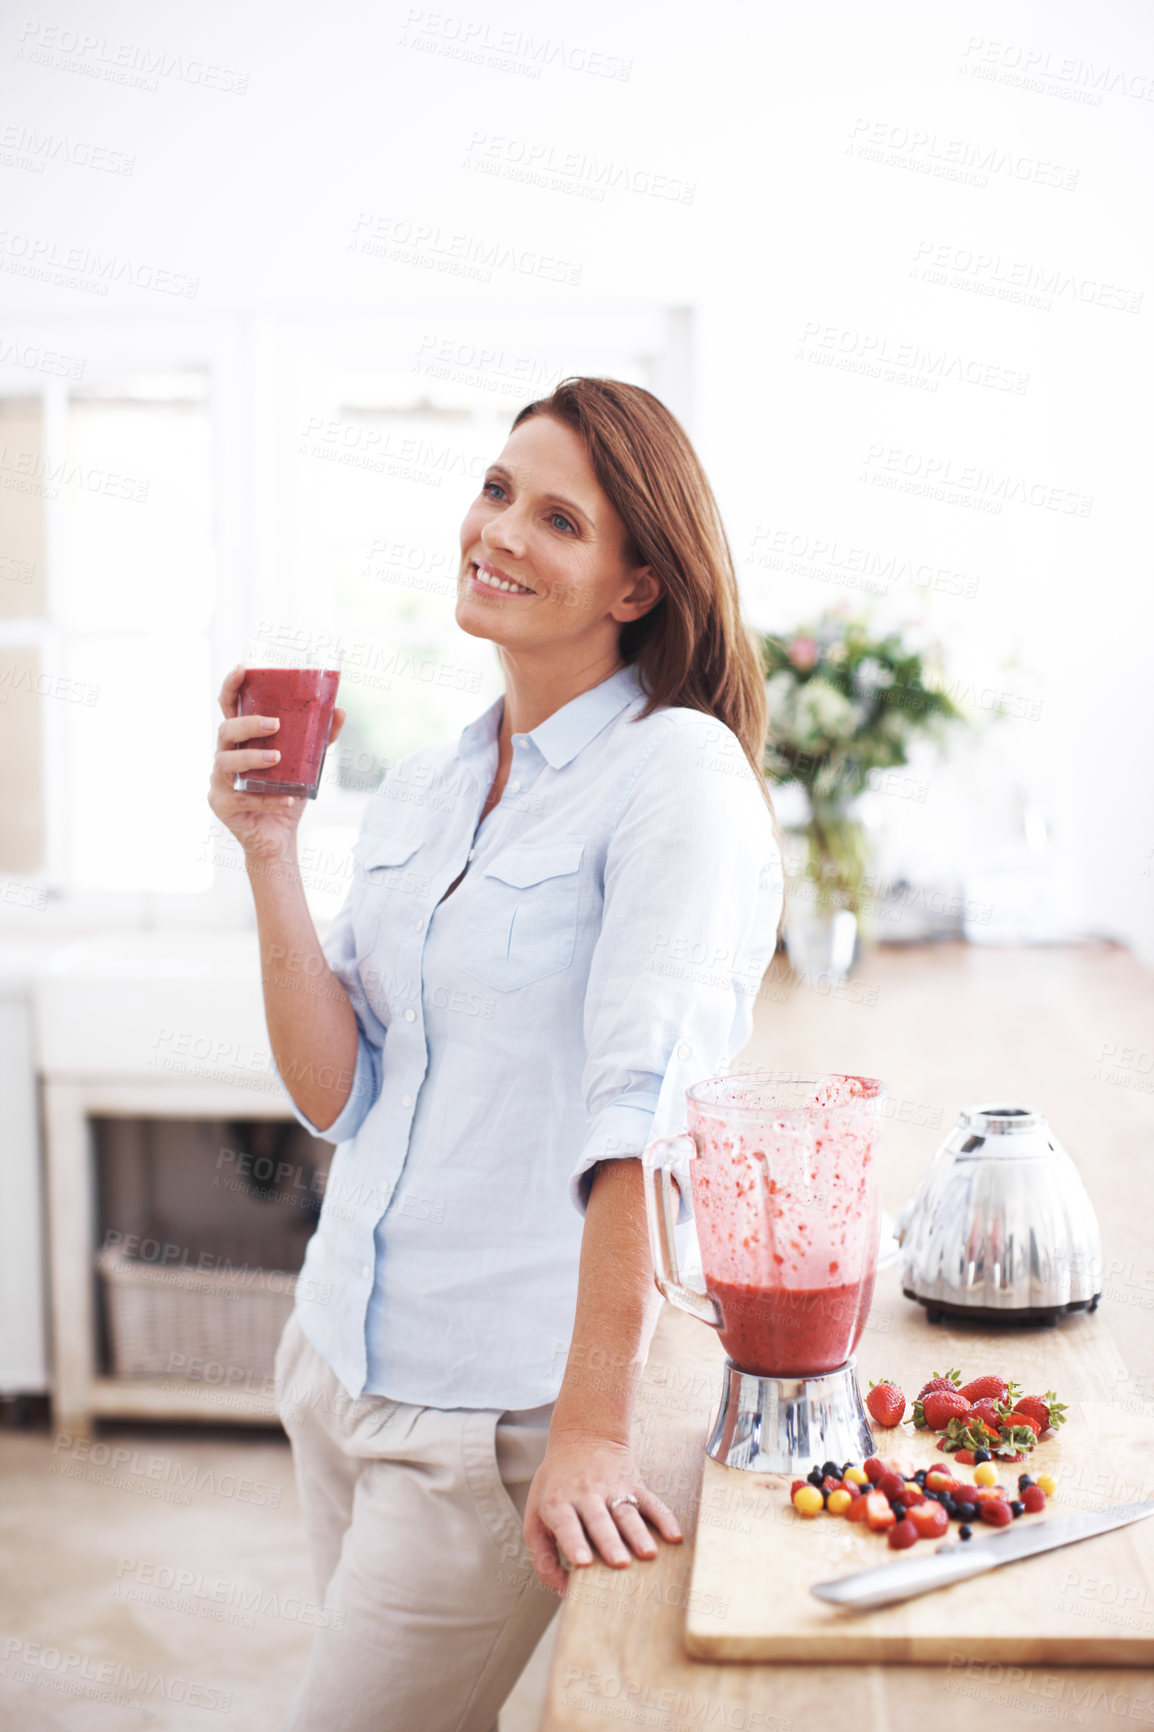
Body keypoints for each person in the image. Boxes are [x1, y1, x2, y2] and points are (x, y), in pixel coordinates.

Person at [208, 377, 783, 1732]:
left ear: (637, 585)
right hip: (336, 1359)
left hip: (493, 1416)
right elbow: (338, 1090)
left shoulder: (674, 778)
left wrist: (586, 1431)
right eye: (494, 490)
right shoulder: (436, 777)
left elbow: (641, 1118)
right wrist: (269, 854)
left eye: (558, 519)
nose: (501, 532)